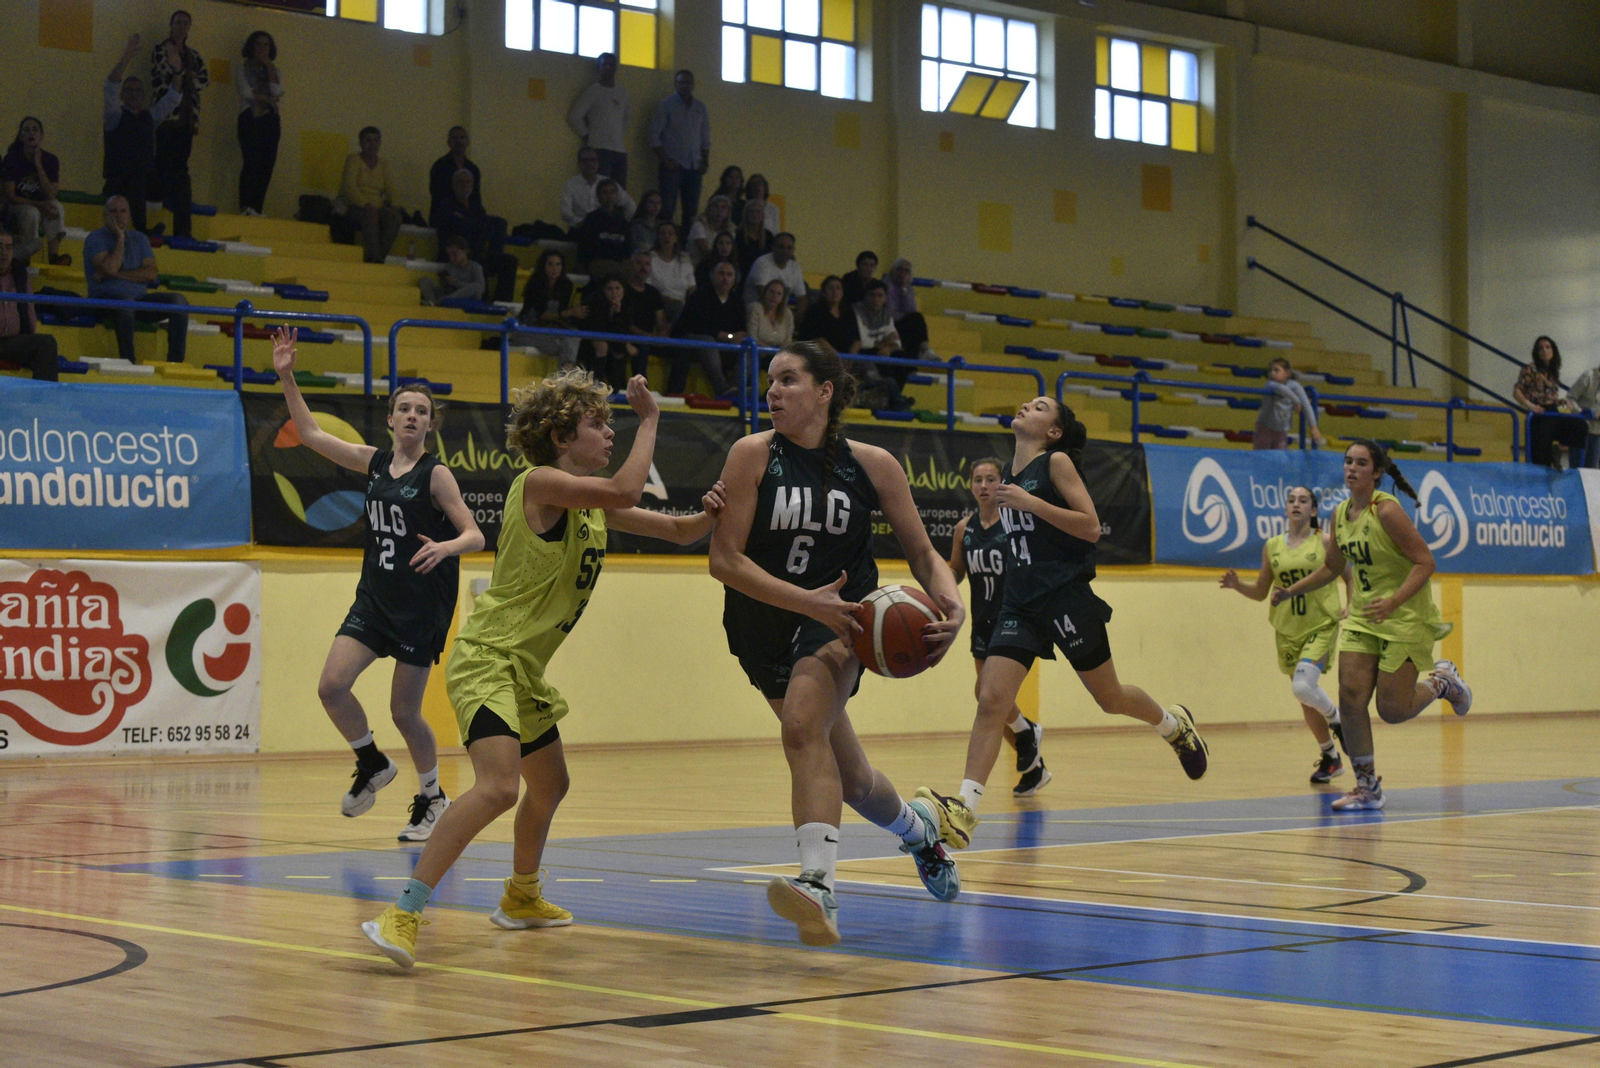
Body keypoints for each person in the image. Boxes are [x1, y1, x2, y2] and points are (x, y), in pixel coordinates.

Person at [362, 372, 724, 969]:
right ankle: (402, 914)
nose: (610, 434)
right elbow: (626, 487)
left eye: (614, 425)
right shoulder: (541, 483)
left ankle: (522, 897)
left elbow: (683, 531)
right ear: (560, 435)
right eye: (598, 425)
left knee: (551, 785)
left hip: (522, 668)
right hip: (487, 659)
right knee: (500, 787)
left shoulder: (588, 506)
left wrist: (719, 504)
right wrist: (651, 421)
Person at [709, 340, 967, 946]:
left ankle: (818, 885)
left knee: (801, 727)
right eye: (770, 381)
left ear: (825, 392)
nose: (773, 391)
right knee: (852, 780)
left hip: (842, 620)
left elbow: (925, 553)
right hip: (760, 626)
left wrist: (952, 604)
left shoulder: (872, 464)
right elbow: (724, 560)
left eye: (789, 380)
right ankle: (920, 830)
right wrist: (804, 601)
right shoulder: (750, 455)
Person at [916, 397, 1211, 851]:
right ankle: (965, 808)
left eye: (1038, 407)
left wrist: (1031, 503)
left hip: (1064, 595)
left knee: (1109, 698)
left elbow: (1091, 527)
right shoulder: (1008, 480)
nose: (1025, 407)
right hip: (1021, 602)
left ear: (1053, 431)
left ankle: (1174, 725)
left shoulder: (1055, 463)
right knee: (991, 698)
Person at [271, 327, 483, 840]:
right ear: (390, 419)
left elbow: (475, 534)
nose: (412, 415)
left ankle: (432, 797)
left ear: (430, 424)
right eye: (404, 408)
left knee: (405, 711)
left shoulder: (437, 476)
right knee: (331, 686)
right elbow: (313, 436)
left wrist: (446, 547)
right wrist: (286, 376)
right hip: (375, 599)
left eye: (421, 411)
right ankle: (372, 763)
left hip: (420, 607)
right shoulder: (375, 462)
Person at [1273, 440, 1471, 812]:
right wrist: (1289, 591)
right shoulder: (1339, 514)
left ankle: (1442, 682)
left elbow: (1425, 562)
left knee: (1393, 710)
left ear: (1376, 472)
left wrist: (1394, 601)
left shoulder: (1388, 511)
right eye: (1348, 461)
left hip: (1403, 616)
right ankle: (1367, 787)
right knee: (1350, 698)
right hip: (1364, 616)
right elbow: (1333, 567)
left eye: (1361, 463)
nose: (1351, 468)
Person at [1220, 486, 1351, 784]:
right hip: (1287, 629)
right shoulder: (1273, 546)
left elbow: (1348, 575)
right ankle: (1330, 756)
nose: (1296, 504)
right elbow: (1260, 592)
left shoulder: (1326, 541)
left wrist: (1351, 606)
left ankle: (1337, 720)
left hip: (1320, 624)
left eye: (1303, 500)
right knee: (1304, 697)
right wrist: (1238, 585)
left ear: (1314, 510)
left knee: (1305, 687)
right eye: (1291, 500)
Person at [947, 458, 1048, 796]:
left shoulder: (1014, 522)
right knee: (989, 700)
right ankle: (1033, 759)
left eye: (991, 479)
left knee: (987, 695)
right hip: (982, 619)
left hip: (1013, 617)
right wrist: (934, 586)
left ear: (1002, 483)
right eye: (978, 479)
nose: (984, 485)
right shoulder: (964, 528)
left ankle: (1026, 732)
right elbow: (956, 571)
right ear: (971, 486)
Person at [83, 196, 189, 364]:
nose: (118, 215)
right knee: (126, 302)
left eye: (123, 211)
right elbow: (110, 267)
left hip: (138, 300)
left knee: (179, 301)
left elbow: (151, 274)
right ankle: (128, 361)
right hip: (104, 300)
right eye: (113, 211)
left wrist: (116, 274)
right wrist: (120, 238)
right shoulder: (94, 238)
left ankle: (175, 363)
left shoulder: (140, 239)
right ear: (105, 215)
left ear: (129, 215)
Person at [103, 34, 182, 235]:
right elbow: (111, 86)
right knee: (136, 179)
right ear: (122, 95)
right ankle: (140, 229)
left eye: (138, 90)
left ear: (144, 95)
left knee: (175, 174)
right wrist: (127, 56)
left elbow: (173, 97)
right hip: (118, 179)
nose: (134, 93)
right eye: (128, 90)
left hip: (143, 180)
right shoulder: (115, 116)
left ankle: (172, 230)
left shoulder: (150, 117)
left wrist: (178, 70)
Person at [149, 9, 208, 238]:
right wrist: (185, 75)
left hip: (187, 119)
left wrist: (182, 74)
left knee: (181, 166)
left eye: (186, 23)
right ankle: (157, 209)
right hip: (166, 117)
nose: (182, 26)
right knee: (163, 162)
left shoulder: (194, 55)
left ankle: (180, 222)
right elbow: (163, 73)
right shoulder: (160, 49)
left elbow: (204, 79)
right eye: (178, 22)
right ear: (170, 24)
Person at [434, 169, 519, 302]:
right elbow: (456, 231)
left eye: (469, 182)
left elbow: (489, 232)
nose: (465, 185)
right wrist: (475, 226)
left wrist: (467, 223)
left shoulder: (476, 207)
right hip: (459, 256)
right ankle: (483, 302)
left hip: (479, 252)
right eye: (461, 182)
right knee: (479, 258)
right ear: (453, 184)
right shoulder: (446, 206)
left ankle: (501, 302)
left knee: (509, 261)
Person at [670, 258, 743, 396]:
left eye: (729, 275)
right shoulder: (700, 295)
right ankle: (721, 388)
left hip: (724, 345)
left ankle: (734, 389)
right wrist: (727, 336)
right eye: (721, 273)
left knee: (750, 350)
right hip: (692, 341)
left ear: (735, 279)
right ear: (712, 276)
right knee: (707, 340)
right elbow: (697, 326)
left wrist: (731, 337)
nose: (725, 278)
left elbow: (741, 330)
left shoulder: (737, 301)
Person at [647, 70, 710, 229]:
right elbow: (654, 134)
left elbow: (705, 137)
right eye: (681, 82)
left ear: (693, 85)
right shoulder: (666, 105)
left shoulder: (700, 107)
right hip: (672, 166)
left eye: (688, 82)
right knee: (667, 209)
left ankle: (686, 248)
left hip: (694, 165)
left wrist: (705, 161)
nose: (685, 86)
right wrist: (665, 160)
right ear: (675, 84)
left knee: (692, 212)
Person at [3, 119, 67, 265]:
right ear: (20, 136)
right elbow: (11, 196)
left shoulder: (50, 160)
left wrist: (38, 165)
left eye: (35, 129)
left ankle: (54, 256)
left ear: (41, 135)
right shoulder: (11, 159)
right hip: (18, 207)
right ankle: (25, 257)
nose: (31, 132)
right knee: (31, 213)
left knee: (56, 207)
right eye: (26, 129)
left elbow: (51, 194)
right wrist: (40, 205)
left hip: (42, 204)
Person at [1516, 337, 1586, 469]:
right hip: (1539, 414)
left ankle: (1558, 450)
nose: (1544, 351)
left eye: (1547, 347)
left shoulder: (1553, 371)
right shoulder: (1530, 368)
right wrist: (1530, 405)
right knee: (1542, 460)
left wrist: (1562, 402)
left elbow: (1550, 398)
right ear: (1536, 352)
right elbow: (1517, 391)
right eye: (1540, 348)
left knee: (1580, 426)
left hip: (1553, 412)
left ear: (1553, 350)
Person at [234, 30, 283, 216]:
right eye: (258, 44)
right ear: (251, 46)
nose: (262, 48)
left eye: (266, 45)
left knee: (267, 164)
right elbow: (245, 91)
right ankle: (246, 206)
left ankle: (257, 207)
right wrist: (265, 97)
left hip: (270, 119)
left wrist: (269, 67)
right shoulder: (243, 67)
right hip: (249, 118)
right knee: (251, 161)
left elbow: (277, 91)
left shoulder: (275, 70)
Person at [339, 126, 404, 264]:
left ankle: (378, 258)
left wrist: (395, 206)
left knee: (394, 218)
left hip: (377, 207)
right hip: (355, 206)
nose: (372, 144)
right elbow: (349, 187)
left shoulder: (384, 163)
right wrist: (366, 205)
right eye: (368, 140)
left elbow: (391, 188)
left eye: (376, 140)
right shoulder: (353, 159)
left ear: (380, 143)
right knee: (370, 215)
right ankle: (374, 259)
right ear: (361, 142)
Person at [566, 53, 631, 188]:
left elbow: (626, 119)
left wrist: (617, 135)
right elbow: (574, 116)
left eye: (611, 65)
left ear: (616, 68)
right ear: (598, 68)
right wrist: (586, 135)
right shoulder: (593, 91)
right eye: (604, 65)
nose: (608, 68)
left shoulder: (622, 92)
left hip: (619, 150)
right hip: (599, 151)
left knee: (620, 194)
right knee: (600, 192)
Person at [0, 232, 59, 381]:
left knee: (46, 343)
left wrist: (27, 338)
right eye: (0, 247)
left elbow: (29, 309)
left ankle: (44, 400)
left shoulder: (19, 274)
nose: (4, 253)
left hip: (11, 341)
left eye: (8, 248)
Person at [511, 249, 585, 367]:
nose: (554, 268)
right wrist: (570, 312)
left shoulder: (566, 285)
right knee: (563, 345)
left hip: (551, 328)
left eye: (558, 264)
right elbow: (541, 314)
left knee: (574, 336)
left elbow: (561, 312)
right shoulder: (535, 284)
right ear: (543, 266)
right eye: (550, 264)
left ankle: (567, 371)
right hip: (530, 329)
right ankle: (567, 373)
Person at [853, 278, 912, 409]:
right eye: (872, 295)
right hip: (864, 352)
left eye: (880, 295)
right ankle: (896, 401)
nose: (876, 299)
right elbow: (863, 341)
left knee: (903, 359)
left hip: (881, 351)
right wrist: (885, 343)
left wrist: (888, 348)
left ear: (885, 298)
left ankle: (893, 398)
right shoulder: (856, 312)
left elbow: (897, 341)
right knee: (881, 361)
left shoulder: (886, 314)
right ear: (865, 296)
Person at [578, 277, 637, 390]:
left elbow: (623, 330)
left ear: (623, 290)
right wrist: (625, 344)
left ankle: (621, 388)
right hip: (590, 343)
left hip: (615, 342)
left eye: (617, 288)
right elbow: (597, 329)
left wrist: (617, 313)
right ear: (604, 290)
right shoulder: (595, 303)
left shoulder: (627, 305)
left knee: (621, 350)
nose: (614, 292)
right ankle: (597, 385)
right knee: (604, 345)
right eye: (610, 289)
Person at [1254, 357, 1325, 450]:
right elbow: (1281, 389)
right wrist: (1296, 402)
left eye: (1276, 370)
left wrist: (1313, 427)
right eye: (1271, 370)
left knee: (1281, 459)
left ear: (1287, 373)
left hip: (1281, 431)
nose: (1272, 373)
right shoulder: (1270, 384)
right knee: (1262, 458)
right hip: (1265, 428)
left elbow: (1306, 405)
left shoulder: (1294, 385)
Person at [560, 147, 637, 231]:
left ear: (598, 163)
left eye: (593, 160)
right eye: (585, 160)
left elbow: (630, 205)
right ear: (579, 163)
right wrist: (583, 223)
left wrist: (621, 223)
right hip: (580, 230)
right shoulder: (570, 184)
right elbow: (566, 213)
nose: (590, 163)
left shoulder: (608, 183)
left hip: (606, 230)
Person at [571, 178, 632, 277]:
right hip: (598, 262)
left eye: (612, 191)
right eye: (604, 192)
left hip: (618, 264)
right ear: (598, 197)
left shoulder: (623, 222)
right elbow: (586, 246)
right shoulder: (592, 219)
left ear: (617, 194)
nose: (609, 196)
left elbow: (627, 248)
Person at [428, 127, 487, 226]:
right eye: (454, 138)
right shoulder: (440, 166)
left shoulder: (473, 169)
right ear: (448, 142)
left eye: (462, 138)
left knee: (498, 224)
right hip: (446, 215)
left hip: (468, 215)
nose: (458, 141)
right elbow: (438, 196)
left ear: (467, 142)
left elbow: (476, 197)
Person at [623, 249, 670, 368]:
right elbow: (626, 324)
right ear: (630, 265)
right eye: (639, 263)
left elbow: (661, 321)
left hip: (650, 338)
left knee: (681, 350)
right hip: (628, 337)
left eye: (647, 264)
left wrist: (662, 333)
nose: (643, 267)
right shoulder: (621, 289)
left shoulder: (653, 292)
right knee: (642, 346)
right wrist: (650, 337)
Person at [744, 231, 807, 315]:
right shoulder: (762, 263)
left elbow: (801, 298)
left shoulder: (795, 267)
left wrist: (797, 319)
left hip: (780, 312)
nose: (785, 251)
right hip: (756, 311)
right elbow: (764, 296)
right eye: (781, 247)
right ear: (773, 247)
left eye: (789, 248)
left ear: (793, 250)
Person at [797, 276, 861, 356]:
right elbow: (818, 339)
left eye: (838, 288)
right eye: (830, 288)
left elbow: (856, 340)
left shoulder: (848, 312)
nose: (835, 292)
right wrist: (838, 358)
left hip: (847, 359)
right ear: (823, 292)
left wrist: (851, 359)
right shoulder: (815, 311)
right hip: (818, 357)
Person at [884, 257, 932, 360]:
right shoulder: (886, 286)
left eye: (907, 271)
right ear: (893, 270)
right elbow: (891, 313)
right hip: (887, 324)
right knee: (915, 322)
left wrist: (904, 288)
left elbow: (911, 311)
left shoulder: (908, 288)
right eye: (900, 269)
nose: (903, 273)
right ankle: (923, 351)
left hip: (902, 324)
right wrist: (904, 315)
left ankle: (924, 351)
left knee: (916, 321)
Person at [418, 236, 484, 306]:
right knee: (424, 280)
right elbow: (436, 268)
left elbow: (480, 289)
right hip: (448, 294)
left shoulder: (476, 267)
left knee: (476, 286)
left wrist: (456, 282)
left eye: (454, 254)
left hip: (467, 299)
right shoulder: (449, 266)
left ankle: (439, 302)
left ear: (465, 251)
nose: (452, 258)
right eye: (449, 256)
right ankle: (431, 302)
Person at [648, 221, 695, 319]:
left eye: (670, 233)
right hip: (657, 305)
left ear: (676, 238)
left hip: (681, 304)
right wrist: (667, 300)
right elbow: (648, 288)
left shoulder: (684, 260)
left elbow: (692, 287)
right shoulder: (651, 259)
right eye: (663, 233)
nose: (666, 236)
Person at [1566, 361, 1600, 469]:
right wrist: (1581, 413)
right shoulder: (1589, 376)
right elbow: (1570, 398)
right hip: (1580, 428)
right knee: (1576, 468)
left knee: (1593, 469)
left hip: (1597, 432)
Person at [747, 279, 794, 353]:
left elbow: (788, 341)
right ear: (765, 293)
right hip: (756, 354)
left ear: (783, 298)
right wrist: (768, 350)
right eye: (772, 292)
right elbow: (752, 338)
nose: (774, 296)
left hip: (778, 356)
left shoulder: (787, 313)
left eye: (779, 294)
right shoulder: (755, 308)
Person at [687, 194, 735, 264]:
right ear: (709, 209)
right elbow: (704, 250)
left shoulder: (730, 229)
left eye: (723, 207)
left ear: (728, 212)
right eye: (716, 206)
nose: (719, 210)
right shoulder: (699, 225)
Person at [734, 199, 772, 279]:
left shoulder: (768, 236)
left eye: (758, 212)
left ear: (762, 215)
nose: (755, 215)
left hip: (764, 275)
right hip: (743, 275)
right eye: (752, 212)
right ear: (746, 214)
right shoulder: (738, 234)